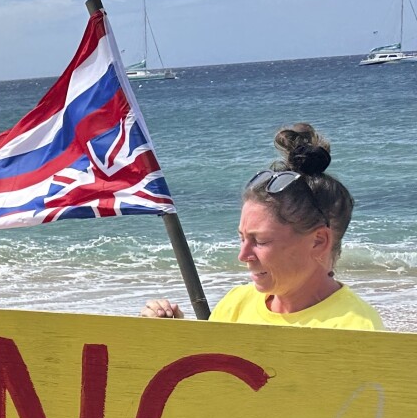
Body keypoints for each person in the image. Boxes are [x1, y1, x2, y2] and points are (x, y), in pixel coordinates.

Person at [141, 123, 383, 330]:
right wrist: (173, 340)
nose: (243, 256)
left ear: (318, 241)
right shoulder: (236, 304)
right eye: (242, 238)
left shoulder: (356, 328)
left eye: (261, 241)